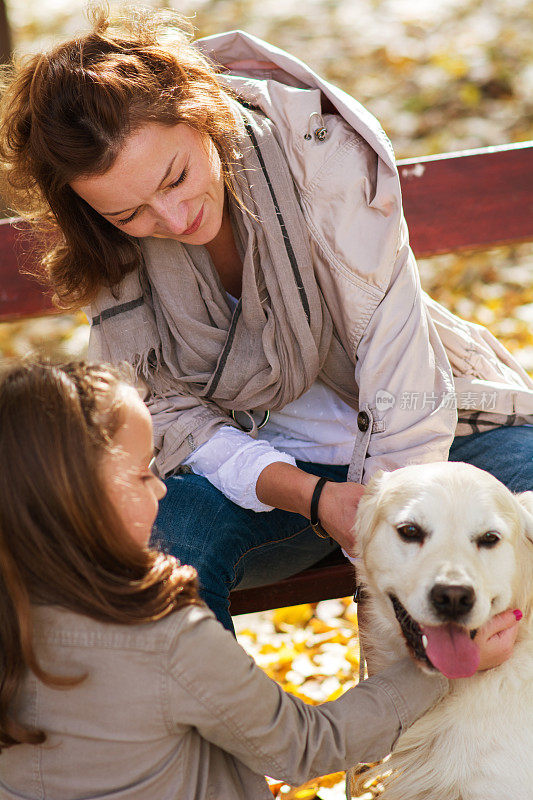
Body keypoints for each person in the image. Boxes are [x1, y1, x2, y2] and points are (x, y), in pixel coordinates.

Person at [1, 7, 532, 633]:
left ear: (202, 111)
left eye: (176, 177)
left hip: (435, 433)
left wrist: (385, 536)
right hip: (271, 482)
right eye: (131, 214)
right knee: (159, 545)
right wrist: (311, 496)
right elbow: (167, 415)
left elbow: (404, 376)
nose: (172, 220)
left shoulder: (322, 159)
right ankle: (221, 732)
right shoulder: (106, 243)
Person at [0, 360, 521, 799]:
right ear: (74, 500)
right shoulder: (166, 635)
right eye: (143, 474)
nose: (163, 489)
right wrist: (432, 671)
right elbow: (302, 746)